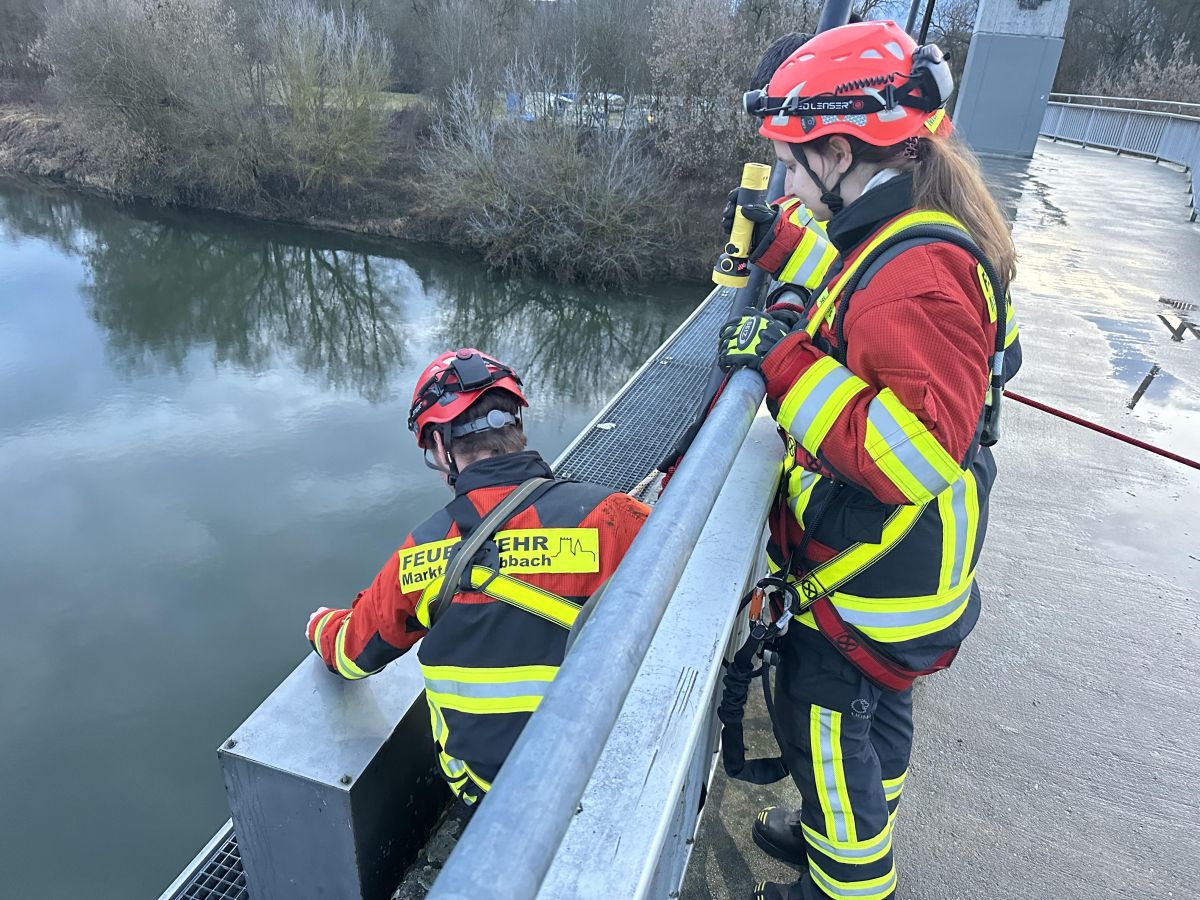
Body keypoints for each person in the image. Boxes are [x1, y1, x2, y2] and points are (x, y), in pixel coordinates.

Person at [715, 20, 1022, 900]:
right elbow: (858, 285)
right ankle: (843, 827)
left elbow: (913, 454)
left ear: (840, 149)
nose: (785, 179)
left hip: (872, 572)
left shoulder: (920, 272)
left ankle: (844, 879)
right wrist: (781, 248)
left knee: (826, 729)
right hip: (909, 571)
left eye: (791, 160)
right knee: (875, 719)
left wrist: (779, 361)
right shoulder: (911, 229)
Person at [305, 348, 649, 808]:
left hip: (486, 790)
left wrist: (319, 625)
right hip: (604, 772)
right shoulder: (615, 516)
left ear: (442, 449)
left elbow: (352, 655)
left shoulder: (421, 552)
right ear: (517, 428)